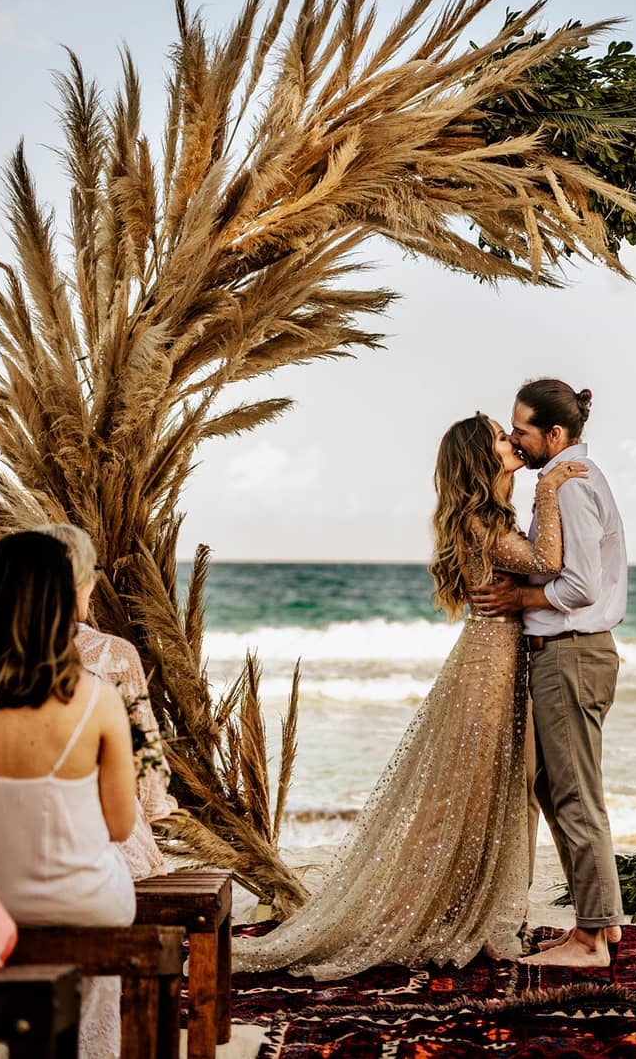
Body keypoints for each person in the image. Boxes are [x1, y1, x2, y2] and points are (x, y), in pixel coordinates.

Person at [232, 412, 586, 978]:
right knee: (469, 791)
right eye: (501, 437)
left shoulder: (488, 515)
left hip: (496, 661)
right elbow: (548, 564)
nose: (512, 441)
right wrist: (551, 484)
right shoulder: (479, 519)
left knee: (493, 789)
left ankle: (484, 907)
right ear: (480, 459)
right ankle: (439, 909)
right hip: (488, 670)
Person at [470, 379, 626, 972]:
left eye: (523, 430)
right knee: (558, 789)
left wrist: (519, 599)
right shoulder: (560, 482)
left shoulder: (572, 487)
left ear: (554, 435)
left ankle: (589, 940)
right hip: (565, 653)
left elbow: (579, 586)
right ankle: (602, 922)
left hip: (572, 651)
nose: (514, 437)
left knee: (574, 795)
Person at [0, 530, 137, 1059]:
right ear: (65, 601)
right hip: (85, 902)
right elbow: (120, 826)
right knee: (111, 879)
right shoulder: (99, 700)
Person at [37, 522, 176, 881]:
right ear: (81, 582)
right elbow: (145, 766)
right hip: (103, 852)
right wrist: (153, 808)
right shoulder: (112, 655)